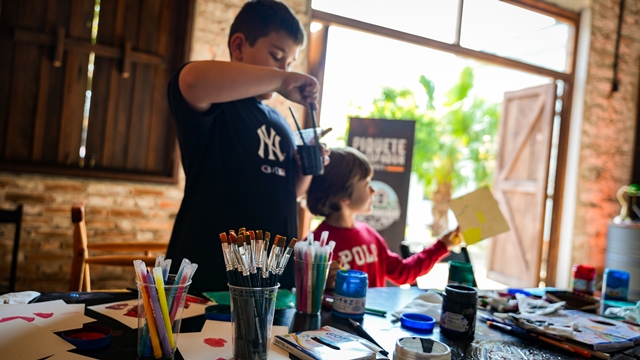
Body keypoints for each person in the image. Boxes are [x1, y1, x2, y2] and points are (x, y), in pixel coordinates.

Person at [166, 0, 323, 294]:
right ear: (238, 46)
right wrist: (281, 79)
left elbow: (289, 192)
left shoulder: (279, 121)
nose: (283, 69)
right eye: (277, 56)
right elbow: (191, 80)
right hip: (213, 276)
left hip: (273, 279)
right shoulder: (217, 104)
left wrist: (304, 170)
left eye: (289, 64)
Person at [307, 147, 460, 288]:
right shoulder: (315, 245)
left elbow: (403, 273)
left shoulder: (369, 234)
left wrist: (442, 245)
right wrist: (323, 285)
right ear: (343, 195)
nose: (373, 190)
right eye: (366, 183)